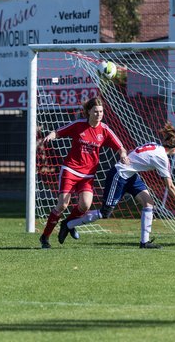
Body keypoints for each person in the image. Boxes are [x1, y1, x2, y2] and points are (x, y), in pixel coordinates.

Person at [58, 121, 175, 248]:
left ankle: (144, 242)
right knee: (105, 212)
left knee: (149, 203)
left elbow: (135, 151)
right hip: (119, 175)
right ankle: (68, 224)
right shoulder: (162, 158)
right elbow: (170, 186)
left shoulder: (155, 145)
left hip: (131, 175)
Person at [39, 97, 128, 248]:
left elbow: (121, 147)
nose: (99, 114)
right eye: (96, 111)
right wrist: (51, 136)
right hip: (70, 170)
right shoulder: (79, 125)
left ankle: (68, 224)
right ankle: (45, 237)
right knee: (62, 205)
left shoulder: (104, 130)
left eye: (101, 111)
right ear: (88, 112)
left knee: (85, 205)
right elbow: (58, 132)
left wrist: (123, 155)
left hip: (88, 175)